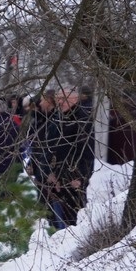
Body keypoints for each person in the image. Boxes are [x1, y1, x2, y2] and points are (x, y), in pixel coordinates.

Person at [30, 87, 96, 228]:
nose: (59, 102)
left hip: (73, 180)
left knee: (73, 222)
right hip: (57, 179)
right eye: (58, 99)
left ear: (75, 99)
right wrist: (49, 172)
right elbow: (50, 148)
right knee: (60, 223)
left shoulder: (82, 119)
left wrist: (78, 176)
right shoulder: (59, 118)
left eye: (63, 99)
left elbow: (85, 152)